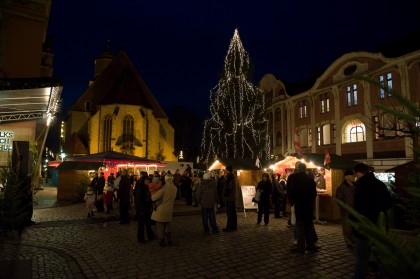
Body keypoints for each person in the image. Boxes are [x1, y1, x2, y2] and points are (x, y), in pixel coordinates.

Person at [352, 163, 392, 279]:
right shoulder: (380, 184)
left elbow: (358, 207)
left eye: (356, 174)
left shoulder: (361, 186)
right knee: (380, 253)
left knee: (362, 256)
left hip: (363, 225)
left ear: (359, 173)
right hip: (378, 224)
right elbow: (388, 203)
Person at [289, 163, 318, 253]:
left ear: (298, 169)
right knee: (309, 226)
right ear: (305, 169)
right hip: (308, 206)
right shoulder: (310, 179)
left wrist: (293, 202)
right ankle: (311, 245)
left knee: (300, 227)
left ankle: (300, 247)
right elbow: (314, 193)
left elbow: (291, 192)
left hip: (299, 206)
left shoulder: (295, 179)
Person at [151, 174, 177, 247]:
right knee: (167, 225)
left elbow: (153, 198)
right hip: (169, 209)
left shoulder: (164, 188)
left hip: (161, 209)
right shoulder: (175, 188)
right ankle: (169, 240)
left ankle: (162, 240)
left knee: (160, 226)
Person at [336, 170, 356, 249]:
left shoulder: (356, 185)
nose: (354, 177)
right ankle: (348, 242)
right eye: (352, 176)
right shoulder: (341, 187)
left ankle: (354, 239)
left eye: (354, 176)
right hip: (346, 210)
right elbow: (338, 199)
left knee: (354, 226)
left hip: (355, 210)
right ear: (346, 177)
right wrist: (344, 207)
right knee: (347, 227)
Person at [135, 175, 155, 243]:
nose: (148, 181)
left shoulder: (146, 187)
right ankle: (141, 238)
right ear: (143, 181)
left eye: (148, 180)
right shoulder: (140, 188)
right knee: (141, 224)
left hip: (147, 208)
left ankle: (150, 235)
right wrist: (140, 210)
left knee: (148, 223)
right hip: (142, 209)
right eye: (146, 180)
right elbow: (139, 200)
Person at [223, 165, 237, 232]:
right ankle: (233, 226)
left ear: (228, 170)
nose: (225, 171)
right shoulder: (232, 177)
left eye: (226, 170)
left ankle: (230, 227)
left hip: (230, 198)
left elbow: (229, 188)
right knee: (232, 213)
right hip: (232, 197)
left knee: (230, 213)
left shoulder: (230, 177)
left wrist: (225, 195)